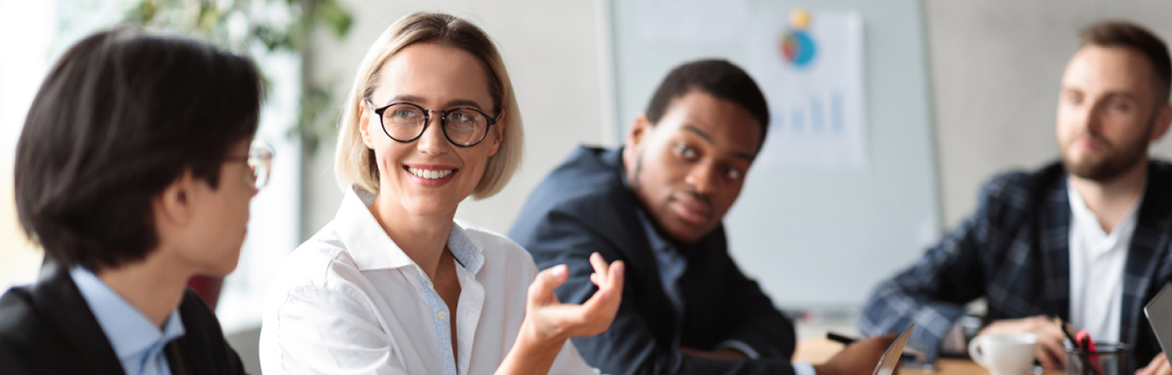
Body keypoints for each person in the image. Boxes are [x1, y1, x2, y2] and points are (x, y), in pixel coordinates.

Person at [258, 12, 624, 375]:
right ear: (366, 125)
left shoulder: (510, 269)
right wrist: (535, 349)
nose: (432, 144)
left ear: (496, 135)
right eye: (404, 111)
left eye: (462, 116)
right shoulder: (318, 289)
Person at [508, 59, 896, 375]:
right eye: (687, 151)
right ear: (640, 133)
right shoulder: (571, 220)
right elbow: (632, 373)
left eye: (731, 171)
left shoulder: (685, 216)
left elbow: (770, 323)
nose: (705, 182)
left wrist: (704, 363)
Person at [859, 20, 1172, 375]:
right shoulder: (1011, 204)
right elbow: (881, 305)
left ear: (1160, 123)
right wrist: (985, 333)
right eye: (1075, 98)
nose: (1087, 121)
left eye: (1116, 105)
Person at [0, 28, 270, 374]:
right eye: (245, 164)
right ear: (180, 196)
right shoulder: (16, 355)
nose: (255, 188)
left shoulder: (193, 331)